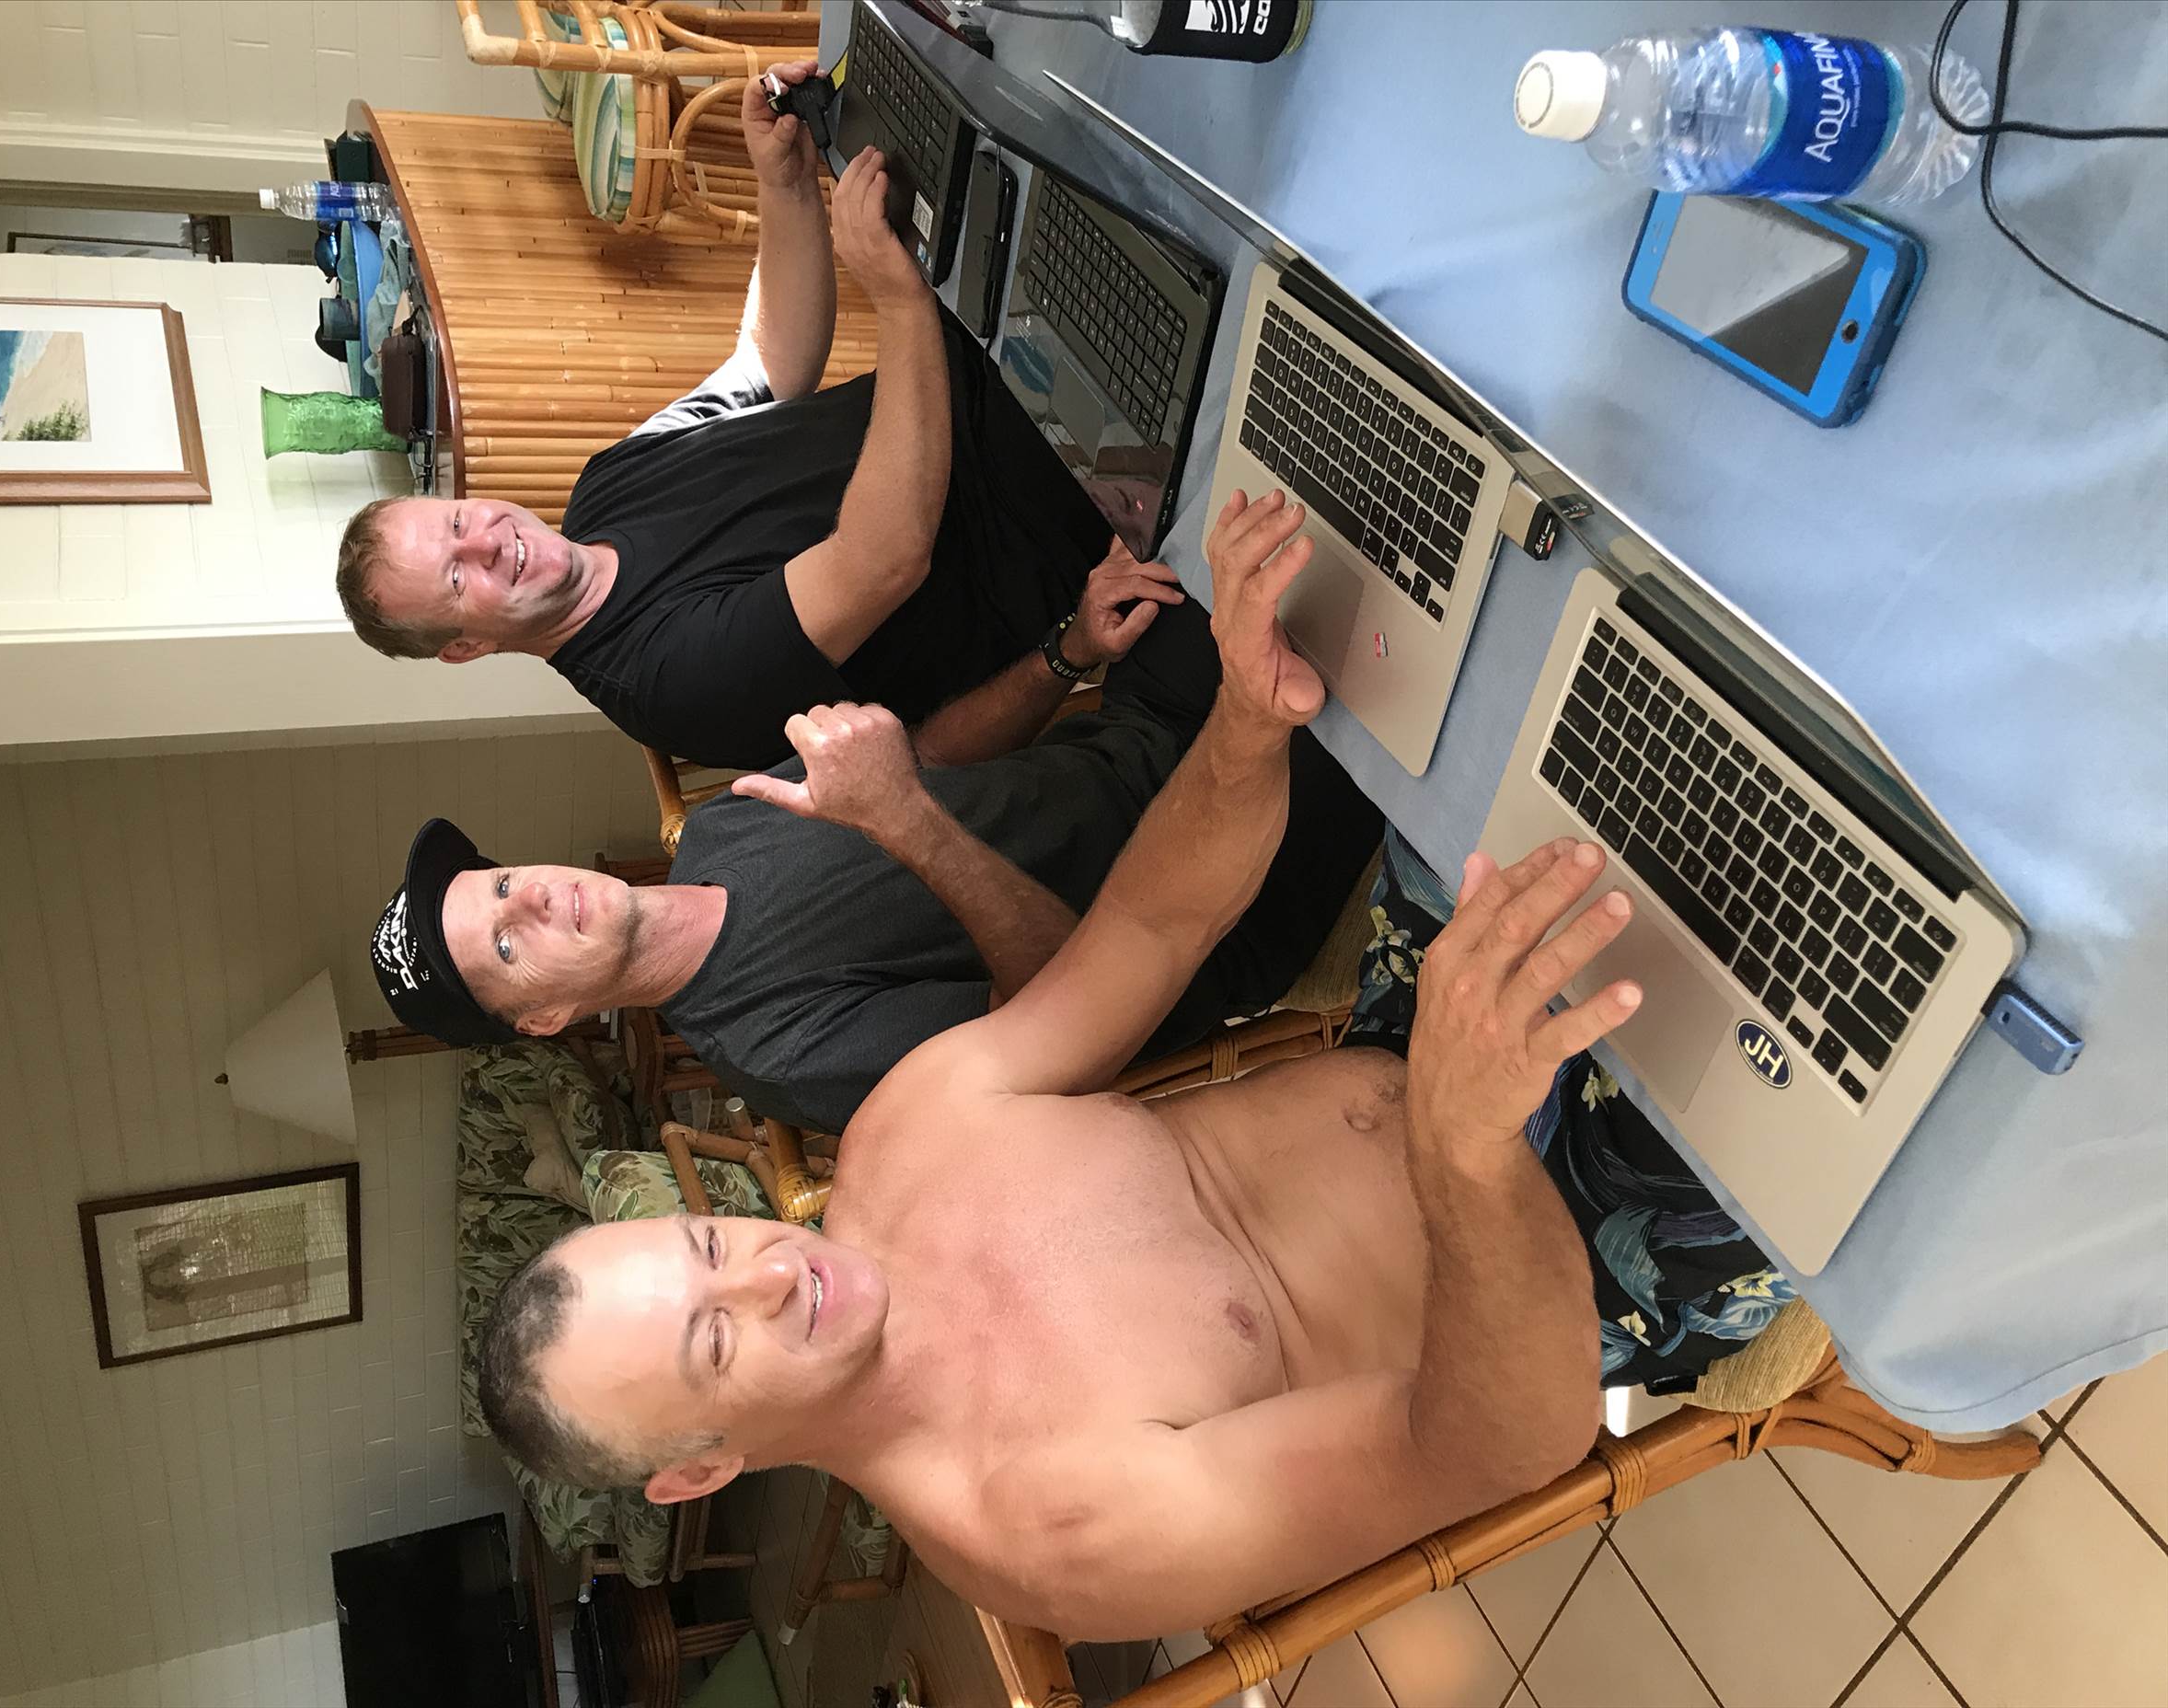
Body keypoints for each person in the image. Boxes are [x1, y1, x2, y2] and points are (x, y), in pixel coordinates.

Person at [468, 490, 1798, 1641]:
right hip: (1572, 1244)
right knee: (1795, 966)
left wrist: (1243, 725)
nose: (771, 1274)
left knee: (1566, 694)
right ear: (702, 1471)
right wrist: (1463, 1150)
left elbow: (1149, 930)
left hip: (1418, 1035)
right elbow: (1492, 1446)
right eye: (714, 1342)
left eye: (710, 1247)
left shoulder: (902, 1145)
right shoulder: (1055, 1531)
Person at [368, 572, 1383, 1135]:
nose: (534, 902)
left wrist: (1066, 650)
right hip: (1229, 892)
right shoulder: (777, 1056)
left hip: (1144, 729)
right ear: (545, 1018)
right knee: (1382, 653)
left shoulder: (717, 832)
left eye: (503, 885)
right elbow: (1073, 1021)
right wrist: (902, 821)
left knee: (1255, 515)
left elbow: (930, 758)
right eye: (507, 947)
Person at [334, 62, 1128, 772]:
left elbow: (770, 363)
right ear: (467, 646)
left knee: (1033, 101)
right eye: (457, 578)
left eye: (457, 522)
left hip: (992, 353)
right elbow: (885, 558)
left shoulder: (605, 486)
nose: (484, 542)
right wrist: (897, 299)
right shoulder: (667, 683)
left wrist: (782, 183)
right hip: (1072, 494)